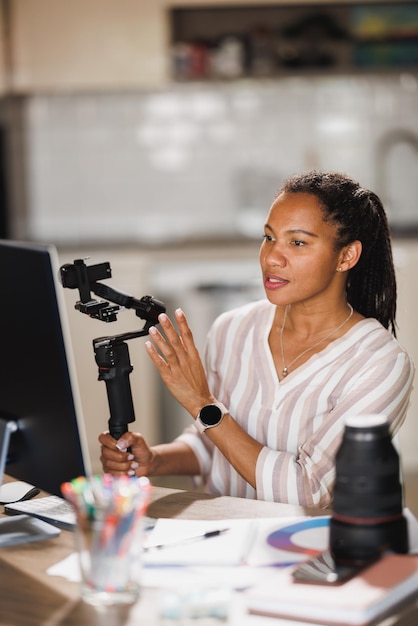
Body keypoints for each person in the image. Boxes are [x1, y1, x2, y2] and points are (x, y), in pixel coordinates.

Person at [99, 170, 414, 509]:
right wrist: (154, 460)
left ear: (346, 256)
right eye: (268, 238)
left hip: (309, 557)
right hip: (219, 543)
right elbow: (214, 444)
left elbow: (308, 491)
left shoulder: (380, 364)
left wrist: (202, 404)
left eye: (297, 242)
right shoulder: (231, 329)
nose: (271, 258)